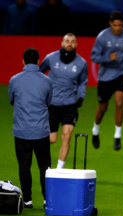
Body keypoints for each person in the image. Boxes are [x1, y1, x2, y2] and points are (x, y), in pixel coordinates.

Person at [90, 11, 123, 151]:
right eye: (115, 25)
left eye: (120, 25)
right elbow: (94, 57)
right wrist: (108, 58)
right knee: (103, 108)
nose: (118, 28)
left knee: (119, 103)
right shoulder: (102, 37)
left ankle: (117, 136)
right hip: (105, 76)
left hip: (121, 73)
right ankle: (95, 130)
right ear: (110, 24)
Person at [8, 48, 53, 209]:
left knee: (24, 166)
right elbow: (49, 102)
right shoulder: (47, 81)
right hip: (41, 131)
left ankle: (27, 200)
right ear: (39, 61)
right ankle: (48, 199)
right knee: (45, 166)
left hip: (22, 130)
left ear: (23, 61)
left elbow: (11, 100)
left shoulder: (14, 80)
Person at [39, 33, 88, 169]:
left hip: (70, 105)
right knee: (52, 139)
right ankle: (43, 159)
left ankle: (59, 169)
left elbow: (83, 82)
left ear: (76, 44)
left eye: (72, 41)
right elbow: (39, 73)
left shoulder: (81, 63)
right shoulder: (50, 58)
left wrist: (81, 97)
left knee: (67, 135)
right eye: (67, 41)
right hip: (52, 104)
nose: (70, 44)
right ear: (62, 43)